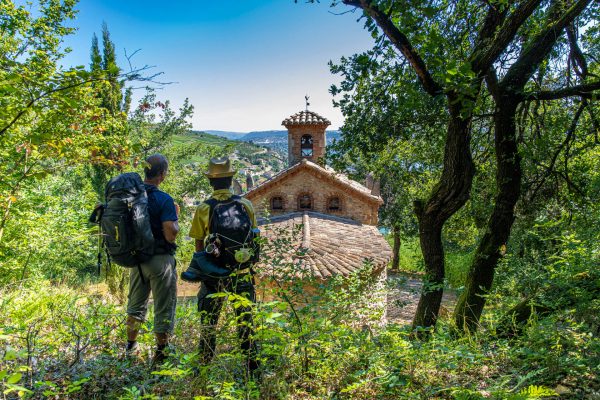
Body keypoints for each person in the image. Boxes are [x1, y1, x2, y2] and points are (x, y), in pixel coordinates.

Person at [186, 156, 259, 372]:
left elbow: (198, 245)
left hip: (214, 276)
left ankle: (204, 366)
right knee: (246, 322)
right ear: (230, 179)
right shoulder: (245, 205)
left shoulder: (203, 209)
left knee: (209, 322)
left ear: (210, 182)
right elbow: (253, 237)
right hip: (242, 273)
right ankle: (252, 368)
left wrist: (208, 266)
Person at [125, 154, 180, 365]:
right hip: (160, 261)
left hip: (137, 260)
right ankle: (162, 352)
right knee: (163, 307)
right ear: (162, 174)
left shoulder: (131, 197)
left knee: (135, 306)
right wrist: (176, 218)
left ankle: (131, 347)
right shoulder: (163, 199)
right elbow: (170, 234)